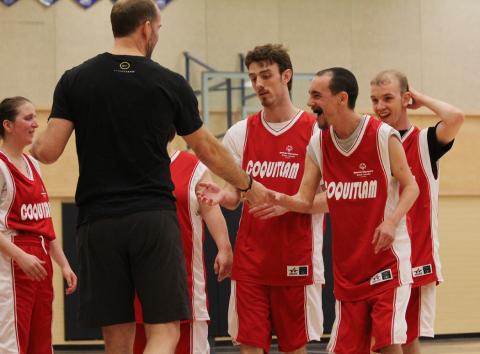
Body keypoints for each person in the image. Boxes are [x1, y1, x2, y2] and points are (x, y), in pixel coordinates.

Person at [30, 1, 267, 353]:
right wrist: (249, 184)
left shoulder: (75, 79)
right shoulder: (169, 83)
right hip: (152, 218)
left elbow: (48, 151)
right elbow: (208, 149)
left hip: (97, 221)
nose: (158, 33)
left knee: (117, 333)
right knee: (165, 330)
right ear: (145, 27)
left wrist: (27, 144)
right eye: (158, 27)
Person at [269, 68, 419, 354]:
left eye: (316, 95)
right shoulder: (318, 143)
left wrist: (391, 222)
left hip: (387, 259)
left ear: (341, 98)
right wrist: (273, 198)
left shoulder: (382, 136)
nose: (310, 101)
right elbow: (304, 200)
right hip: (349, 269)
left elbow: (411, 187)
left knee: (387, 342)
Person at [197, 44, 326, 354]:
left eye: (266, 75)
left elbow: (334, 198)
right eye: (253, 77)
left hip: (298, 259)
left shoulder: (316, 133)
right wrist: (222, 195)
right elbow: (233, 196)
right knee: (249, 346)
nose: (258, 84)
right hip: (251, 262)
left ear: (287, 76)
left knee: (295, 347)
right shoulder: (240, 133)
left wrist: (289, 204)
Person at [370, 70, 464, 354]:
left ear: (405, 98)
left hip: (414, 257)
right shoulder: (370, 143)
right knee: (387, 339)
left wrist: (419, 98)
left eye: (388, 98)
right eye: (374, 99)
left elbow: (456, 117)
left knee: (402, 338)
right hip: (377, 255)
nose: (380, 106)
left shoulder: (425, 142)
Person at [133, 127, 233, 354]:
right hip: (137, 285)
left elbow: (211, 210)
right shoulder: (128, 169)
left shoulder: (193, 167)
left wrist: (224, 247)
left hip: (184, 282)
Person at [0, 96, 77, 354]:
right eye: (28, 118)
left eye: (36, 117)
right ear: (8, 125)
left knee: (41, 344)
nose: (36, 124)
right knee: (12, 344)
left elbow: (44, 221)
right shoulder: (1, 166)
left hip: (40, 260)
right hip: (11, 260)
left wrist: (64, 263)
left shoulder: (34, 164)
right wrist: (20, 256)